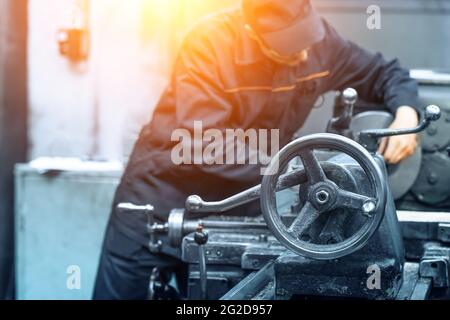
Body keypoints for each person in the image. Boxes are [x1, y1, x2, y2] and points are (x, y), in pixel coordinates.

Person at [93, 0, 420, 299]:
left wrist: (407, 111)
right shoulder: (209, 43)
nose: (305, 56)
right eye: (290, 49)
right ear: (253, 33)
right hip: (163, 200)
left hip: (245, 204)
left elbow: (384, 72)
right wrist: (298, 166)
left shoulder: (320, 43)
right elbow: (205, 143)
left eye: (306, 40)